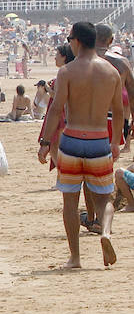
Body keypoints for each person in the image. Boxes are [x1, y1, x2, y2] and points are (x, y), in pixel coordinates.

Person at [38, 21, 125, 268]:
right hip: (99, 138)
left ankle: (75, 257)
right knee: (105, 198)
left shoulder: (67, 72)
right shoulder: (111, 72)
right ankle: (105, 232)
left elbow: (56, 110)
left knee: (70, 202)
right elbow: (118, 112)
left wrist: (45, 142)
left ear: (76, 41)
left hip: (72, 139)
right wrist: (116, 141)